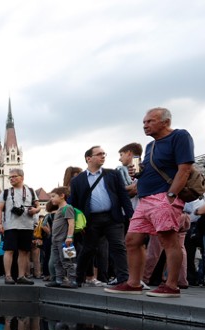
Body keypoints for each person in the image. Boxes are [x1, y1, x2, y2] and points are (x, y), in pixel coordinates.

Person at [107, 107, 195, 298]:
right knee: (132, 240)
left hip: (163, 196)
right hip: (146, 199)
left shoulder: (179, 136)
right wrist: (138, 173)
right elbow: (149, 170)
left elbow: (185, 169)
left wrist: (171, 196)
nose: (145, 125)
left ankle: (172, 286)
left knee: (168, 240)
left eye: (150, 121)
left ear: (165, 122)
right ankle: (134, 283)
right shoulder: (150, 146)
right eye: (144, 122)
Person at [71, 146, 134, 287]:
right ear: (89, 158)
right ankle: (78, 279)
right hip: (91, 220)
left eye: (104, 153)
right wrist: (75, 223)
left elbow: (123, 196)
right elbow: (74, 204)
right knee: (88, 249)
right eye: (99, 154)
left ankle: (123, 279)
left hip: (112, 217)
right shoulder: (77, 181)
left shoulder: (112, 174)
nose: (103, 156)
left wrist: (131, 215)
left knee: (118, 246)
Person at [0, 168, 38, 284]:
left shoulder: (31, 191)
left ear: (22, 177)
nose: (11, 179)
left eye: (14, 176)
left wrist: (35, 210)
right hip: (10, 225)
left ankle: (21, 276)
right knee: (9, 250)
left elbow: (38, 206)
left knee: (24, 251)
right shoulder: (6, 192)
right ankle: (8, 276)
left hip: (27, 225)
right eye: (10, 177)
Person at [45, 187, 77, 288]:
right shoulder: (59, 209)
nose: (51, 199)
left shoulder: (67, 208)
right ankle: (59, 279)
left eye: (53, 196)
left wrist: (69, 237)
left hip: (64, 240)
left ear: (62, 196)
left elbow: (71, 223)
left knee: (68, 260)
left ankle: (72, 280)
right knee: (56, 261)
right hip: (55, 240)